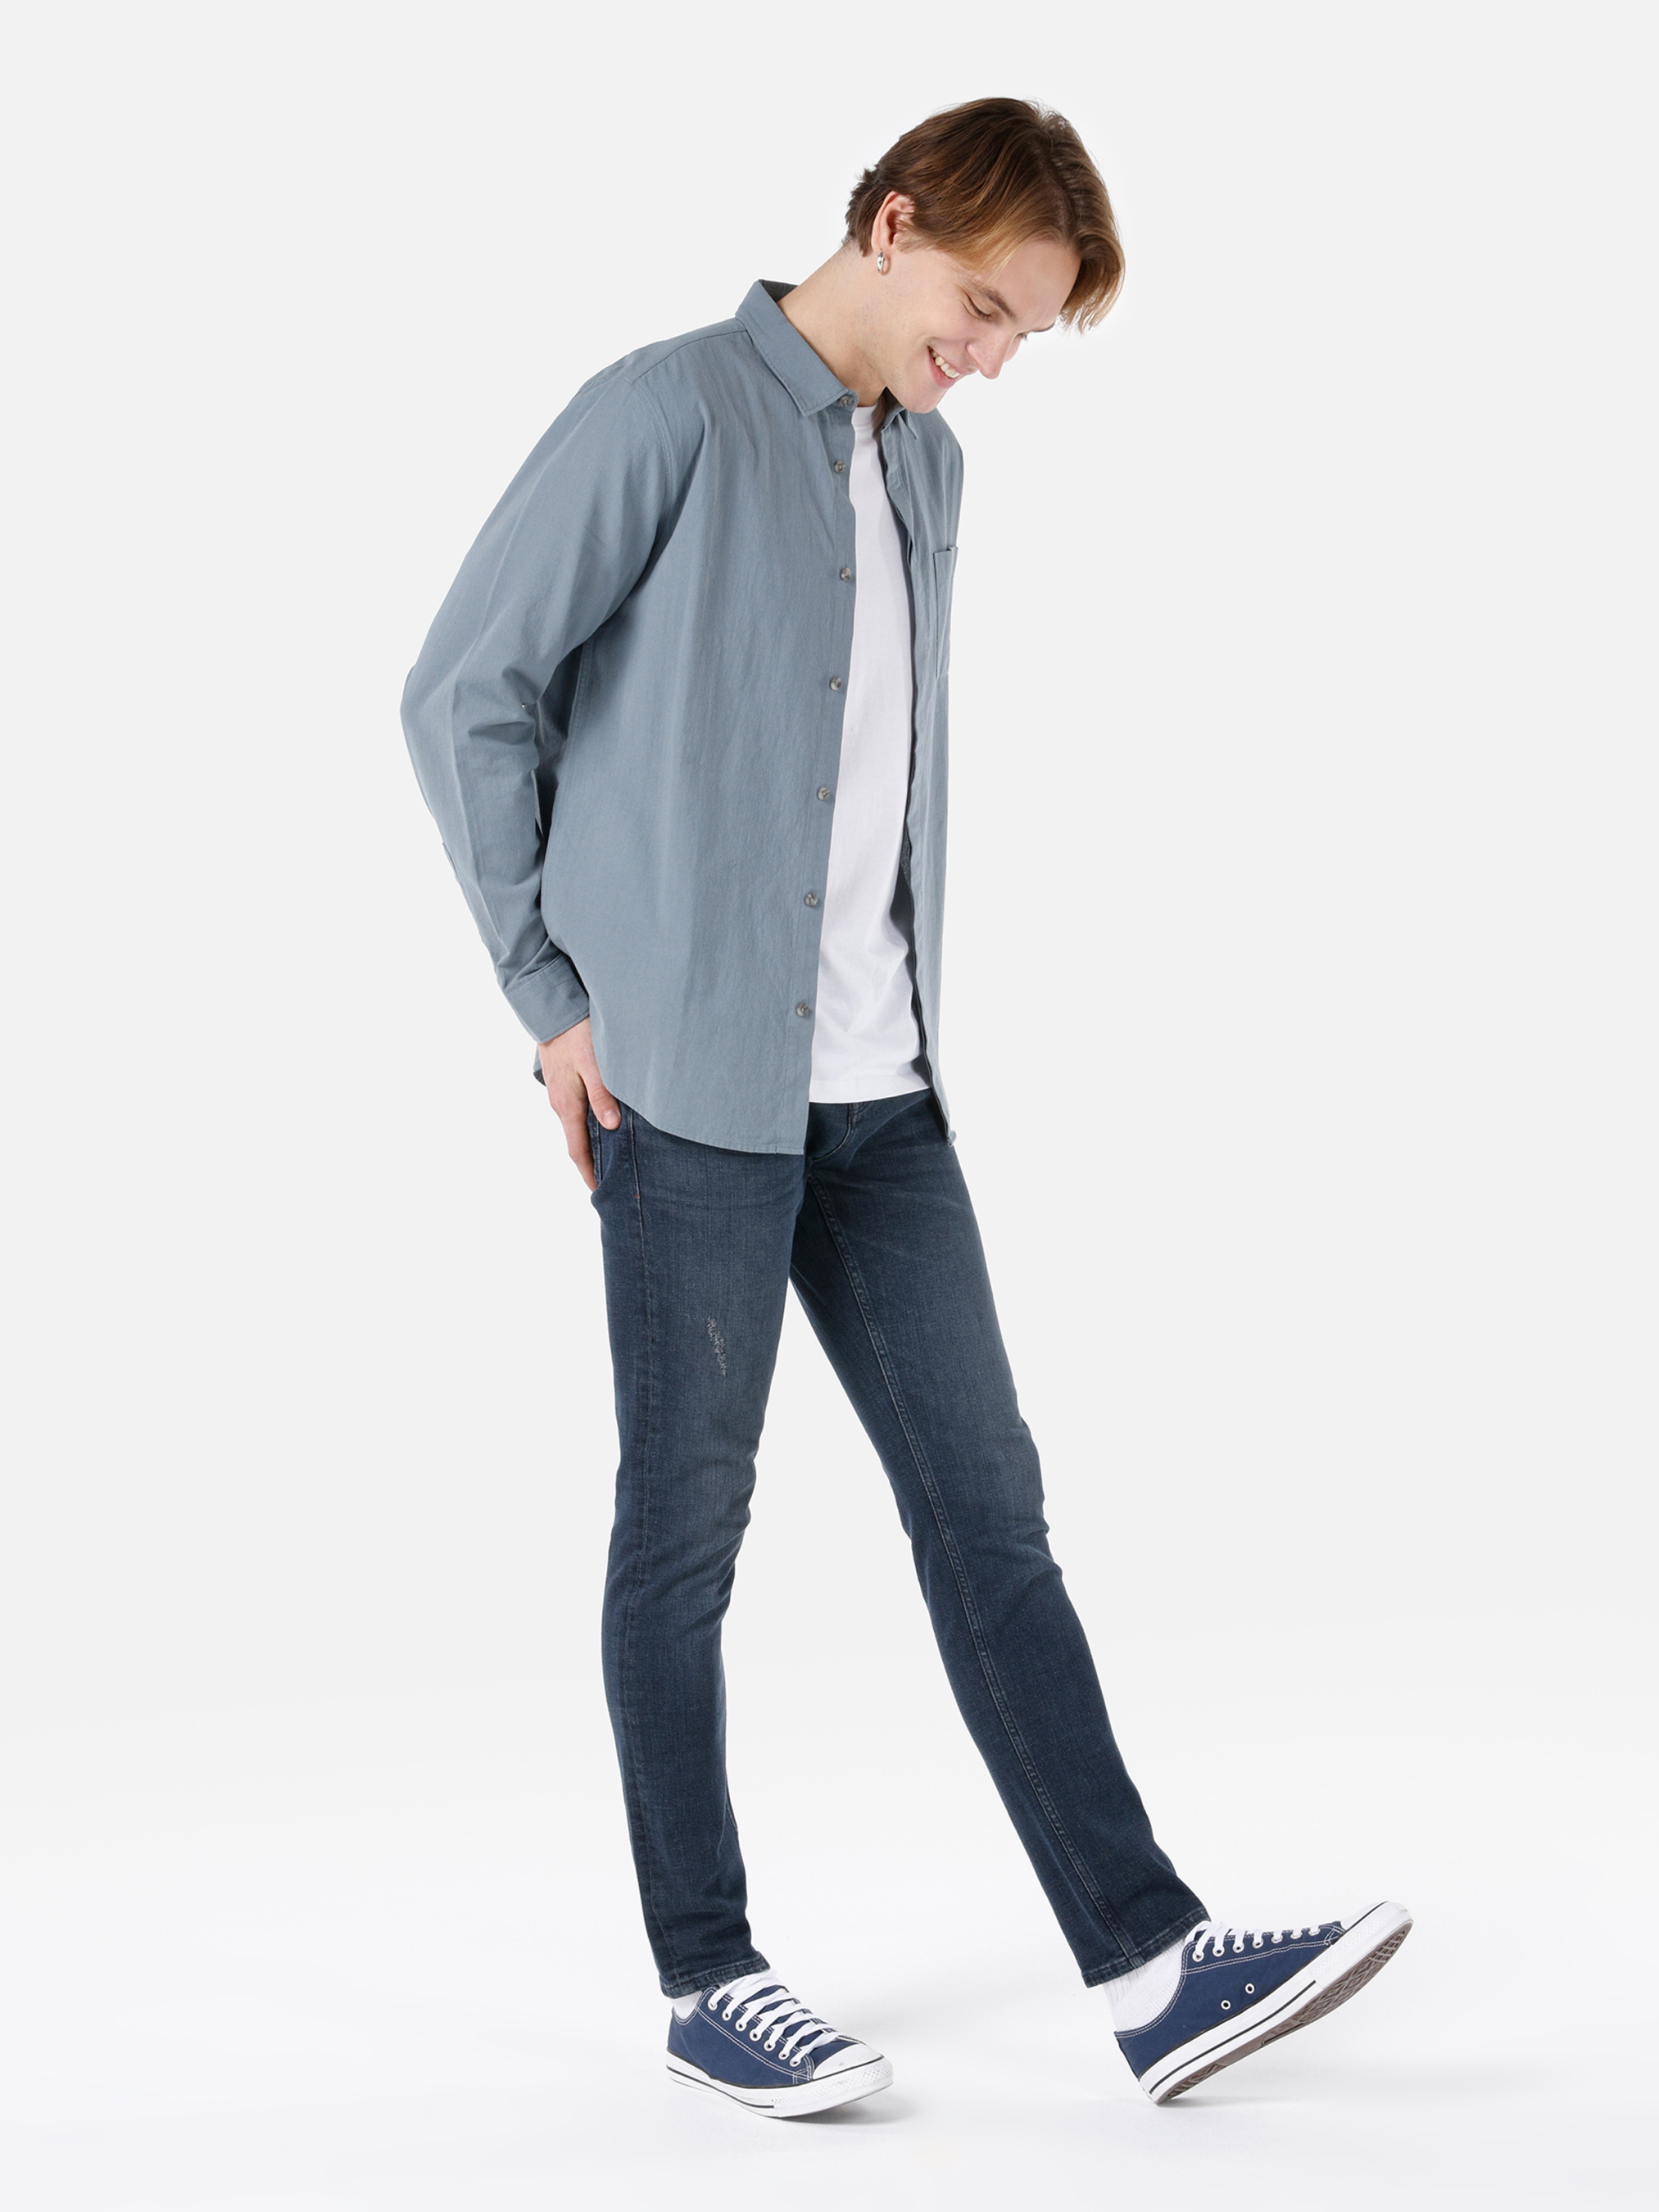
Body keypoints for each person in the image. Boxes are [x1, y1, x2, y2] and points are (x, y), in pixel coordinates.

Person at [401, 96, 1410, 2116]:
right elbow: (464, 692)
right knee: (683, 1532)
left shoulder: (926, 465)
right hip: (689, 1086)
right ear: (884, 224)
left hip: (886, 1090)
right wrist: (548, 1000)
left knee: (988, 1515)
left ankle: (1148, 1967)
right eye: (984, 307)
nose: (995, 358)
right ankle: (706, 1975)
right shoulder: (664, 409)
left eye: (1024, 331)